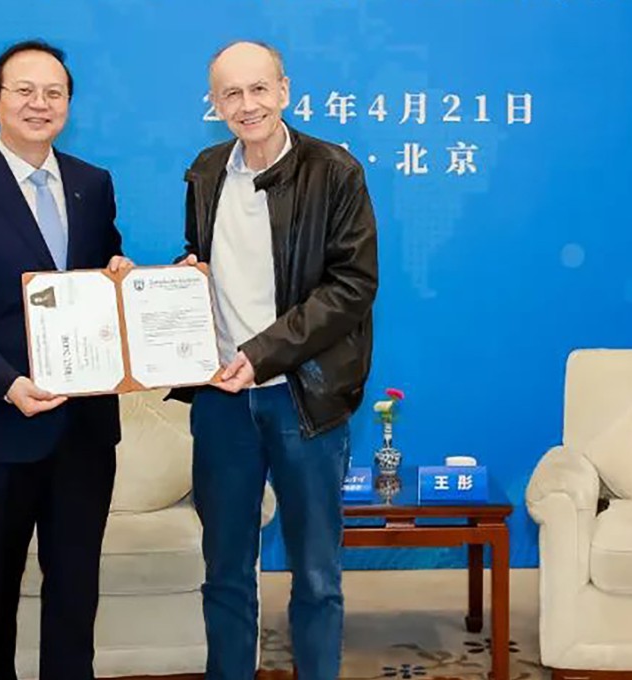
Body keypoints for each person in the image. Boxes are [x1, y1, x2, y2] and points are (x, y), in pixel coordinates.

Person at [0, 39, 132, 680]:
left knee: (75, 592)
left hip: (85, 428)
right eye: (25, 91)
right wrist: (7, 383)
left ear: (69, 103)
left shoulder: (93, 184)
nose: (40, 104)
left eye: (54, 93)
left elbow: (100, 272)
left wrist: (120, 278)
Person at [171, 40, 379, 680]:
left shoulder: (335, 171)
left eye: (259, 89)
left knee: (316, 574)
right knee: (225, 572)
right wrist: (175, 284)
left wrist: (261, 355)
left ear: (284, 91)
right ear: (215, 104)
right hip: (222, 402)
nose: (247, 105)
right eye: (230, 94)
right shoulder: (206, 170)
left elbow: (352, 286)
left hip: (303, 397)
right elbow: (204, 258)